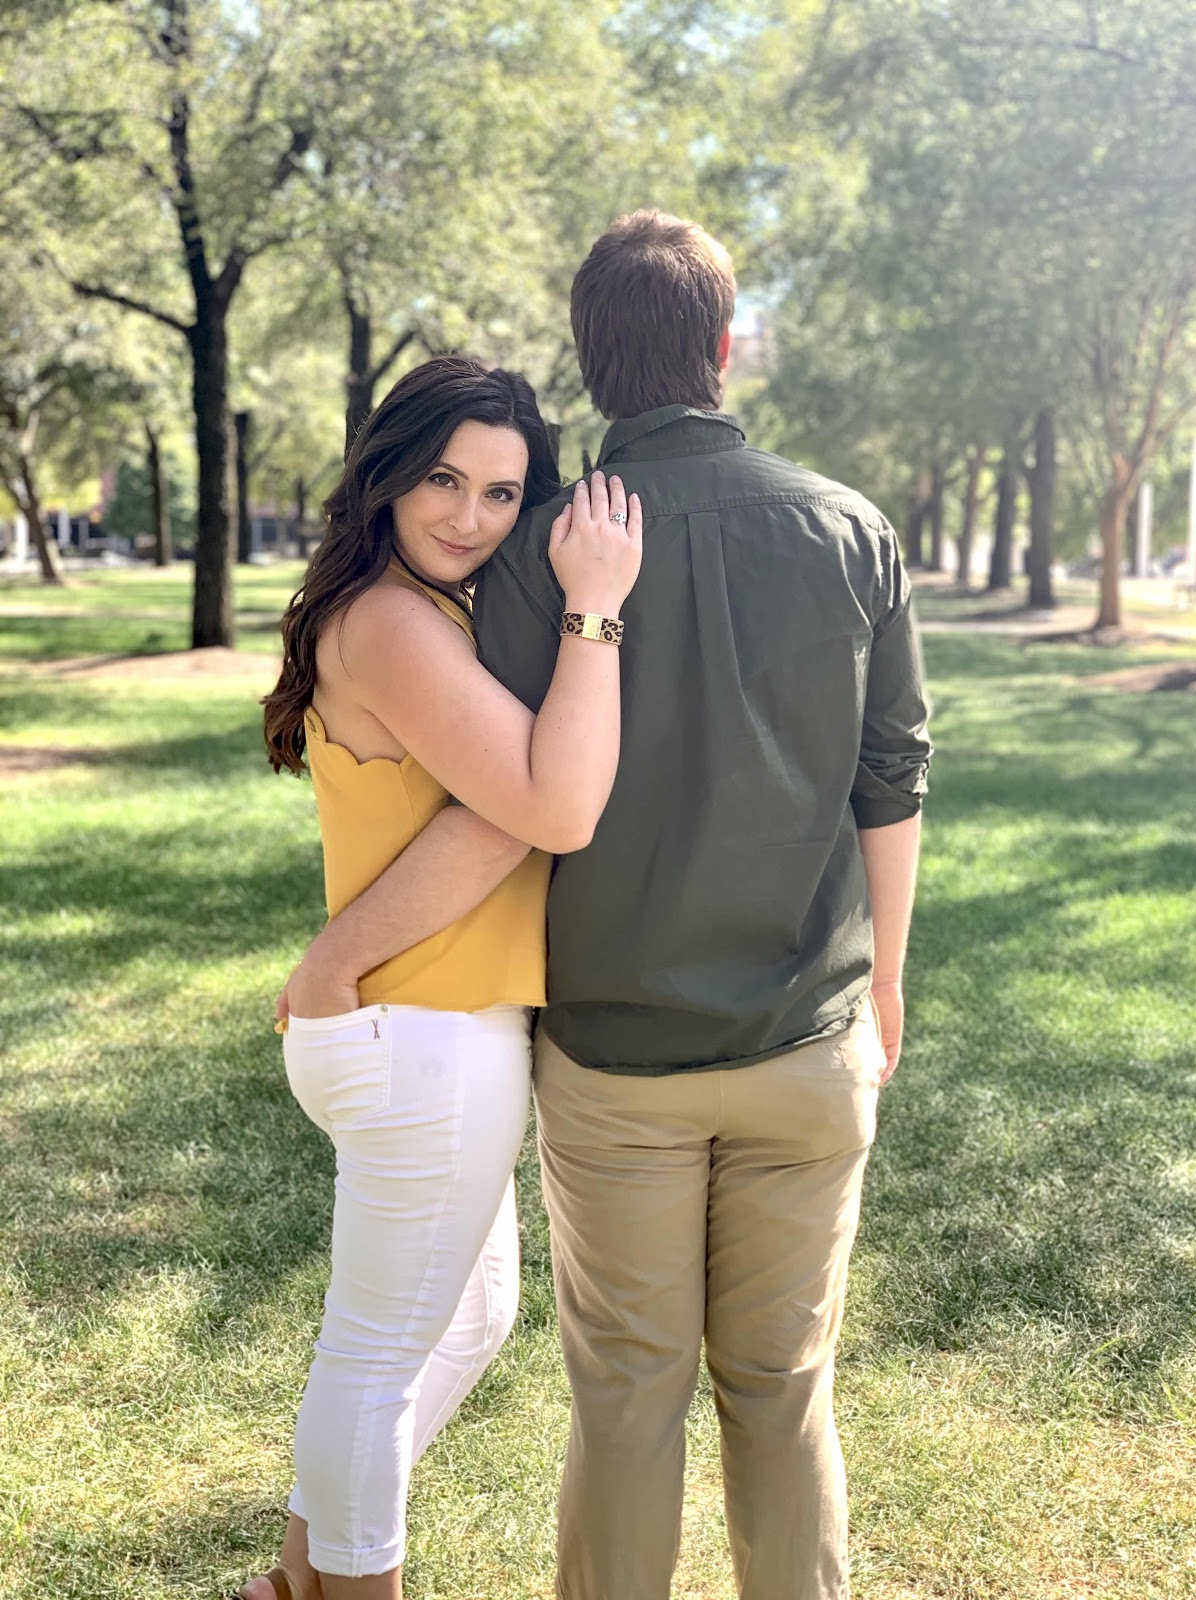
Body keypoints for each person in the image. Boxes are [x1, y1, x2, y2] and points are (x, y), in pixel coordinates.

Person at [276, 210, 932, 1600]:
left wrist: (337, 954)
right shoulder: (854, 529)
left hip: (615, 1060)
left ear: (587, 361)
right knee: (785, 1385)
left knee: (628, 1393)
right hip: (807, 1041)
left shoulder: (539, 551)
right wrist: (884, 984)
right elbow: (892, 777)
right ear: (724, 346)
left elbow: (508, 801)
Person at [237, 354, 642, 1600]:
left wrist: (335, 956)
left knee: (467, 1323)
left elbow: (500, 813)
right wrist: (596, 606)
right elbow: (551, 805)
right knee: (373, 1359)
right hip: (418, 1030)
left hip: (419, 1022)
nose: (470, 516)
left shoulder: (419, 610)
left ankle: (297, 1579)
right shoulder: (395, 622)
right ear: (391, 474)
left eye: (503, 492)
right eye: (444, 480)